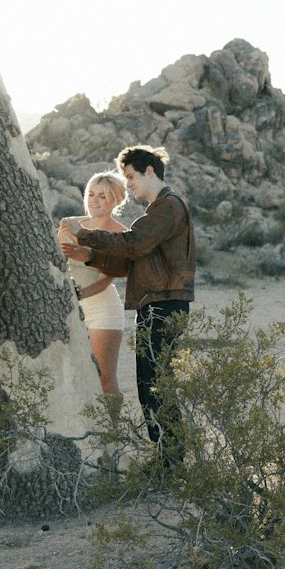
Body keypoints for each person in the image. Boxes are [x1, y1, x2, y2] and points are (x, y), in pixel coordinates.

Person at [60, 145, 196, 462]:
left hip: (164, 305)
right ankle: (167, 459)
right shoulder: (159, 210)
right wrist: (91, 256)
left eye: (131, 176)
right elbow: (133, 263)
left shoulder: (168, 208)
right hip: (155, 304)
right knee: (150, 384)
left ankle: (170, 463)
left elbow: (133, 244)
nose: (129, 184)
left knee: (157, 385)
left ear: (150, 171)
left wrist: (87, 235)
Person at [58, 172, 128, 396]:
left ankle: (113, 431)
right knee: (71, 374)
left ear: (117, 200)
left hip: (101, 308)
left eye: (102, 196)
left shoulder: (121, 233)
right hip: (65, 304)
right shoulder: (70, 224)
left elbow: (107, 278)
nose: (93, 201)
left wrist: (80, 294)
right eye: (90, 194)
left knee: (104, 377)